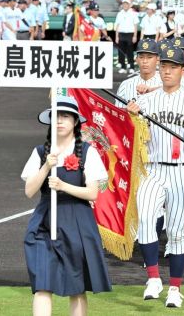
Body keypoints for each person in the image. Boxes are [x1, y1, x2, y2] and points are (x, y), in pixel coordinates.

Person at [125, 46, 184, 308]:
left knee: (176, 233)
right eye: (163, 65)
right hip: (152, 169)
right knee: (145, 222)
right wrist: (130, 115)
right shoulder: (145, 101)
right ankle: (153, 277)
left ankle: (175, 288)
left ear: (183, 70)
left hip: (182, 171)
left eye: (172, 66)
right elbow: (129, 131)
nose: (166, 70)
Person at [21, 96, 111, 316]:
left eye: (65, 116)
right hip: (44, 220)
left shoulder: (88, 152)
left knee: (77, 286)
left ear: (75, 122)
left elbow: (92, 193)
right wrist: (45, 168)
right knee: (42, 283)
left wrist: (62, 185)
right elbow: (29, 191)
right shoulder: (40, 152)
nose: (60, 121)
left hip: (77, 221)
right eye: (56, 117)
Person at [116, 39, 162, 106]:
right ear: (136, 59)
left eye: (149, 57)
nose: (145, 61)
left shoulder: (165, 83)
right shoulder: (125, 85)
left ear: (158, 60)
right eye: (141, 57)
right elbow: (119, 113)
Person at [115, 0, 139, 74]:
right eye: (124, 4)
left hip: (130, 34)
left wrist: (135, 36)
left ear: (129, 5)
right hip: (121, 34)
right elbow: (117, 25)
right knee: (121, 52)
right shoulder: (119, 13)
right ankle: (123, 67)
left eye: (127, 4)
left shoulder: (133, 13)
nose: (125, 5)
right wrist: (117, 36)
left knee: (130, 51)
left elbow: (135, 25)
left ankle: (131, 66)